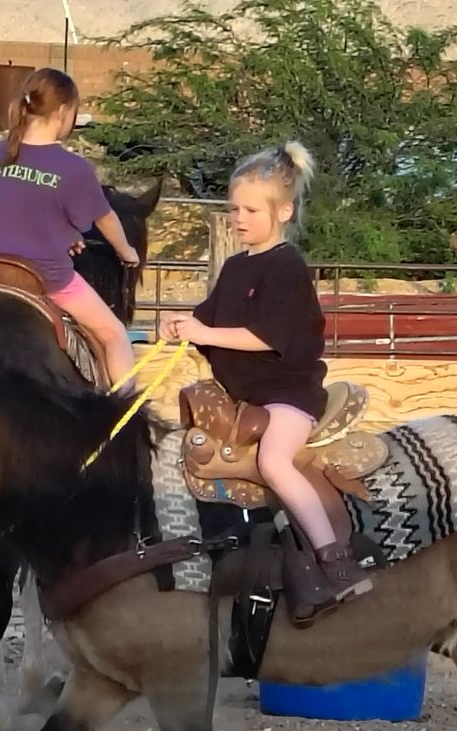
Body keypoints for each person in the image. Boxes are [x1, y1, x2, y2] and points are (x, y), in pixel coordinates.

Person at [160, 140, 373, 619]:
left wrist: (204, 330)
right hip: (246, 396)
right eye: (234, 208)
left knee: (276, 460)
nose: (238, 218)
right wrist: (177, 324)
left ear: (283, 211)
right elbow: (208, 323)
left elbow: (264, 336)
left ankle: (334, 559)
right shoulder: (235, 267)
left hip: (287, 393)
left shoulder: (286, 266)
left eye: (251, 209)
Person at [0, 67, 139, 392]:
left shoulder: (2, 152)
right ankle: (127, 417)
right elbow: (106, 219)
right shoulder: (73, 168)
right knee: (114, 335)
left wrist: (62, 234)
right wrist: (126, 251)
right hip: (44, 272)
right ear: (64, 111)